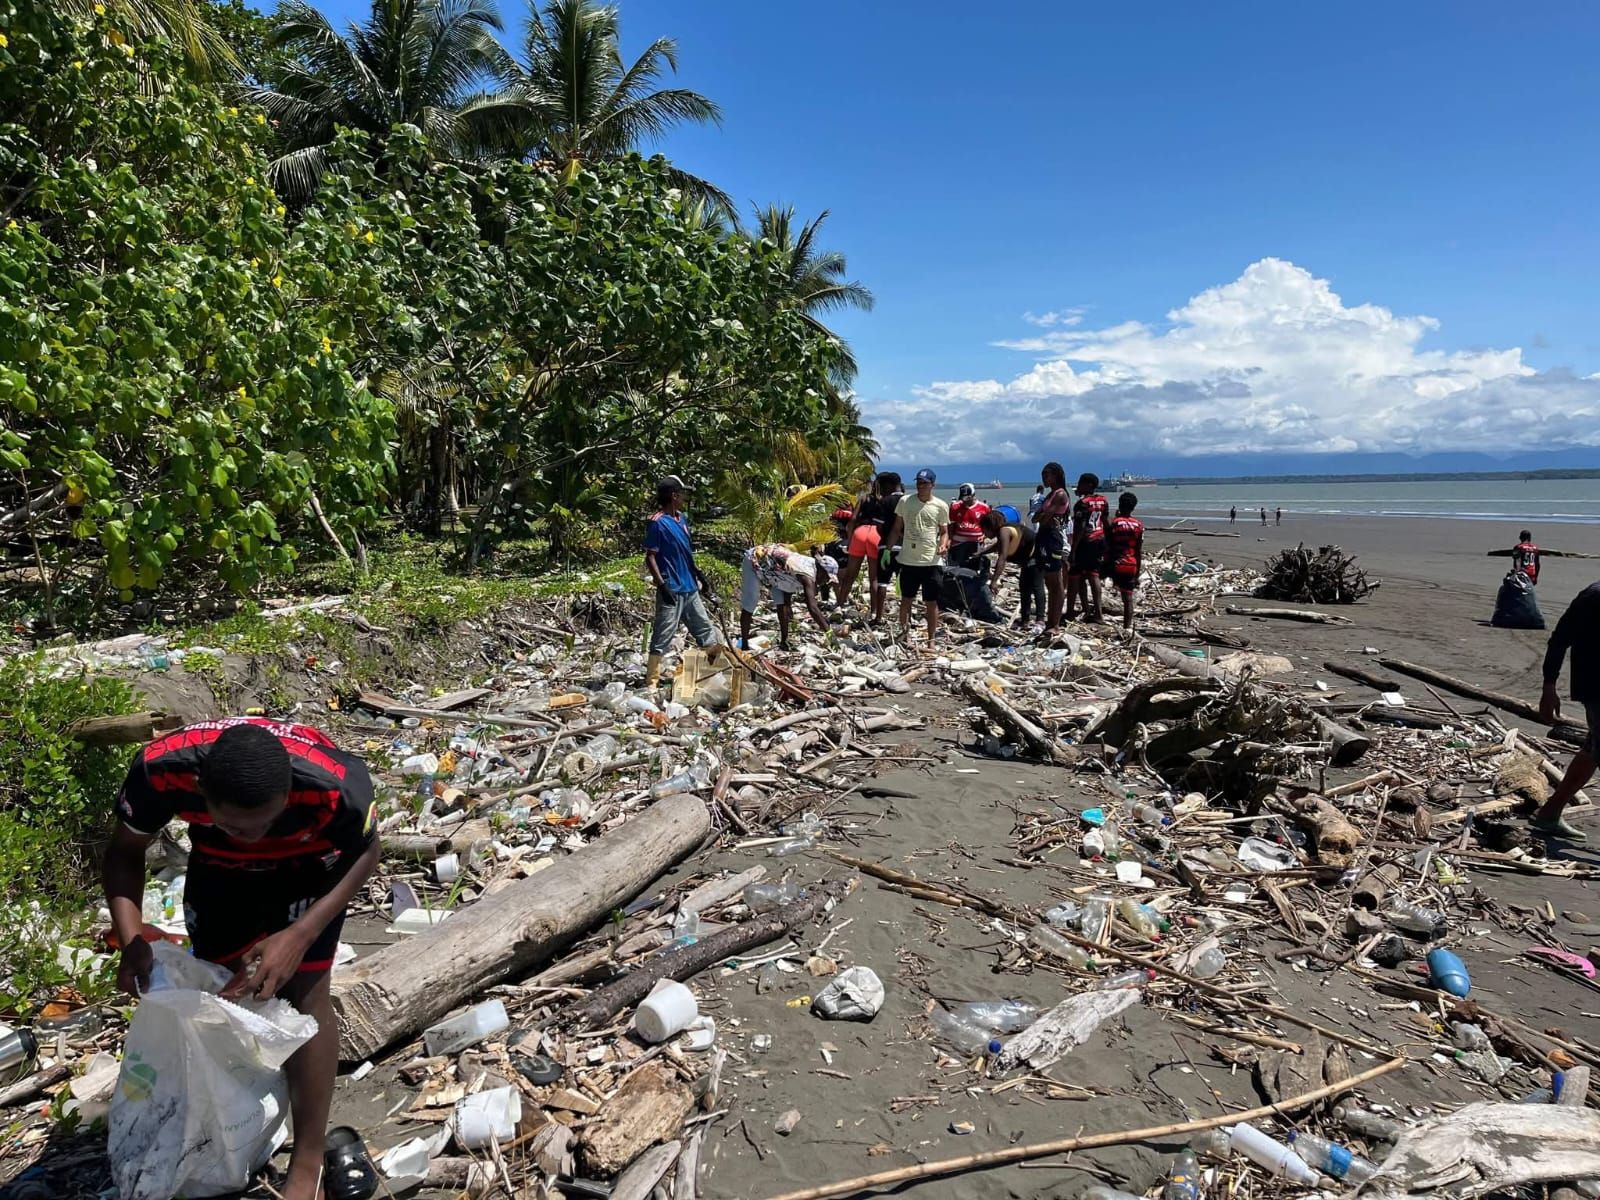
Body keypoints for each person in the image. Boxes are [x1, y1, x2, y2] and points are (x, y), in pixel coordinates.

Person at [103, 719, 380, 1200]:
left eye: (264, 822)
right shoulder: (159, 772)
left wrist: (299, 935)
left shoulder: (336, 784)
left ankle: (308, 1156)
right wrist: (133, 943)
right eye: (235, 822)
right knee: (223, 995)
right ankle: (234, 1123)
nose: (252, 835)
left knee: (306, 995)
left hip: (312, 865)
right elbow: (125, 852)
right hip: (218, 867)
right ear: (200, 792)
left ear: (289, 792)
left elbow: (367, 852)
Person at [1530, 580, 1600, 840]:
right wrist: (1549, 687)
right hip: (1595, 687)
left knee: (1592, 750)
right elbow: (1559, 640)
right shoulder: (1594, 595)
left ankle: (1549, 814)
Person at [643, 474, 719, 689]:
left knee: (704, 629)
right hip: (672, 587)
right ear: (673, 496)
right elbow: (650, 556)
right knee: (663, 634)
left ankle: (714, 672)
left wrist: (699, 574)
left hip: (690, 586)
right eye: (682, 493)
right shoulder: (657, 523)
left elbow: (685, 552)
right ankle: (652, 680)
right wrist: (661, 584)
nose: (684, 497)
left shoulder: (682, 519)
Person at [882, 468, 950, 645]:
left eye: (924, 483)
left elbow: (944, 532)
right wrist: (888, 550)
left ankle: (931, 639)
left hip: (931, 561)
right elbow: (897, 528)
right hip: (908, 560)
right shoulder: (905, 501)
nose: (920, 486)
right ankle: (904, 635)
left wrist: (943, 545)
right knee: (906, 599)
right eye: (919, 482)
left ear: (932, 485)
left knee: (931, 602)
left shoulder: (941, 505)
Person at [739, 543, 837, 650]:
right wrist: (829, 633)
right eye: (826, 578)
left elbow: (788, 577)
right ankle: (744, 644)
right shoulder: (807, 575)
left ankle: (784, 642)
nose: (825, 582)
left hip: (775, 570)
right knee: (751, 601)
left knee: (783, 605)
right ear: (821, 570)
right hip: (755, 561)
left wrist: (788, 603)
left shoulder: (811, 568)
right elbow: (812, 608)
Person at [978, 508, 1043, 626]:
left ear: (990, 527)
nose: (984, 534)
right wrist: (980, 553)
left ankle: (1040, 619)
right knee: (1024, 588)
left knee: (1036, 586)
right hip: (1027, 560)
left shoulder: (1004, 531)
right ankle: (1025, 619)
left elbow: (1002, 557)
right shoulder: (1003, 532)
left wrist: (994, 581)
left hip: (1036, 557)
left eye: (984, 530)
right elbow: (997, 546)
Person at [1067, 472, 1110, 623]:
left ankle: (1070, 611)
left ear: (1089, 485)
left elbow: (1080, 528)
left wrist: (1073, 550)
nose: (1078, 486)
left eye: (1081, 483)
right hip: (1099, 540)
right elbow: (1106, 522)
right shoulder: (1103, 501)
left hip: (1085, 542)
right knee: (1094, 575)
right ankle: (1096, 613)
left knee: (1074, 577)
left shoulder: (1082, 503)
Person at [1033, 462, 1071, 629]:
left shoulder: (1060, 494)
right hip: (1044, 536)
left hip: (1052, 537)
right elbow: (1035, 518)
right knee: (1049, 581)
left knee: (1056, 582)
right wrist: (1041, 516)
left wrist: (1041, 515)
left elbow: (1045, 517)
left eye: (1046, 475)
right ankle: (1051, 621)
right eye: (1043, 476)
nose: (1044, 479)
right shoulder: (1050, 495)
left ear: (1056, 475)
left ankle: (1054, 624)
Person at [834, 479, 881, 607]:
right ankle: (874, 610)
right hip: (876, 534)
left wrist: (850, 539)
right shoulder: (884, 501)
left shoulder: (863, 498)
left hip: (860, 533)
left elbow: (853, 519)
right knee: (874, 578)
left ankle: (840, 603)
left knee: (850, 574)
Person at [1105, 492, 1145, 636]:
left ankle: (1095, 613)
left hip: (1115, 563)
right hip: (1131, 564)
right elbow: (1138, 551)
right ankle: (1127, 627)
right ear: (1133, 508)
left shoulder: (1115, 523)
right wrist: (1137, 573)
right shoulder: (1138, 525)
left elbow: (1108, 542)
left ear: (1120, 505)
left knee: (1093, 577)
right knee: (1128, 598)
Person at [948, 483, 991, 565]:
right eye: (963, 499)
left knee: (974, 567)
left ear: (973, 495)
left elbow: (989, 526)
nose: (965, 501)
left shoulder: (984, 507)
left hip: (976, 542)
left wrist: (984, 536)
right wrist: (949, 539)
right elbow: (951, 525)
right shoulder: (955, 507)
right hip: (958, 542)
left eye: (967, 498)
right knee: (955, 567)